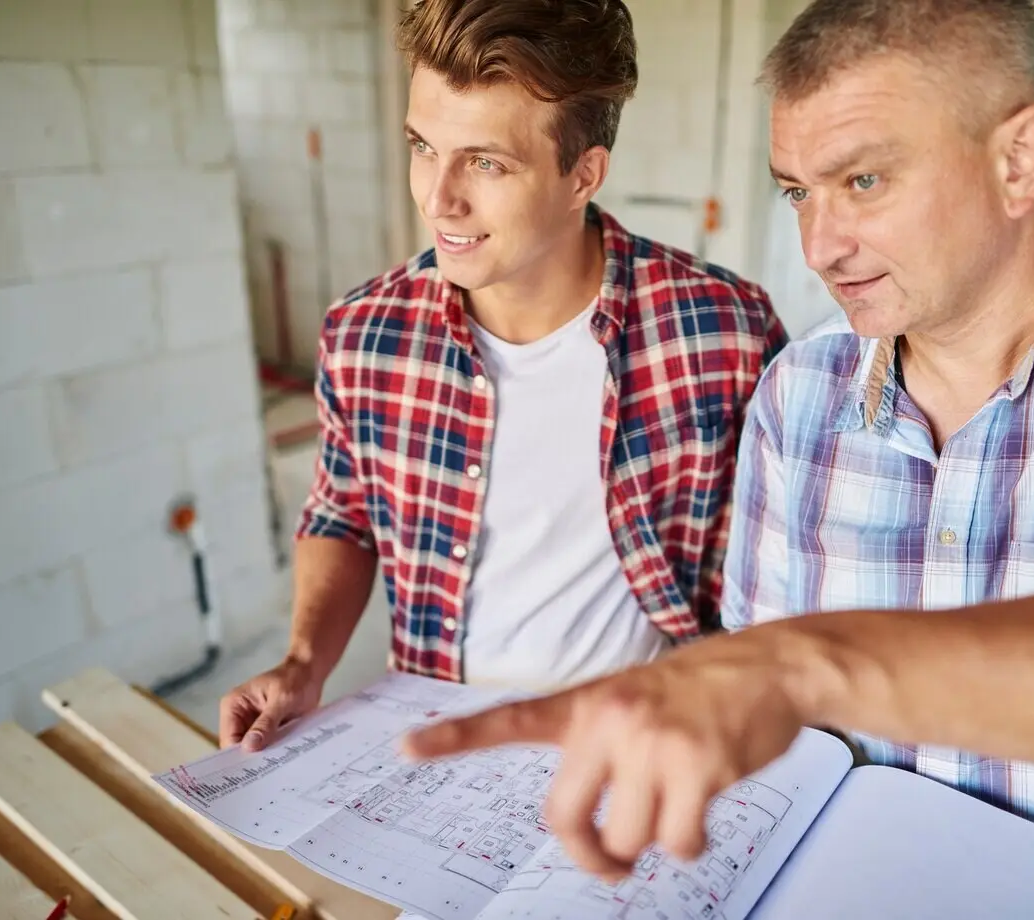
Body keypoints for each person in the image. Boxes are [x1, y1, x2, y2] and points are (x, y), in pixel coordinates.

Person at [400, 1, 1034, 917]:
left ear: (1019, 159)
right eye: (797, 191)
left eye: (862, 181)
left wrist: (800, 667)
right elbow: (788, 746)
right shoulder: (800, 393)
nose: (819, 246)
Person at [219, 0, 787, 755]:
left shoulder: (725, 334)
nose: (437, 196)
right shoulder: (365, 336)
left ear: (583, 173)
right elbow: (343, 514)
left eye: (486, 162)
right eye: (423, 146)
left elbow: (767, 579)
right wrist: (304, 661)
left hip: (644, 746)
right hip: (441, 740)